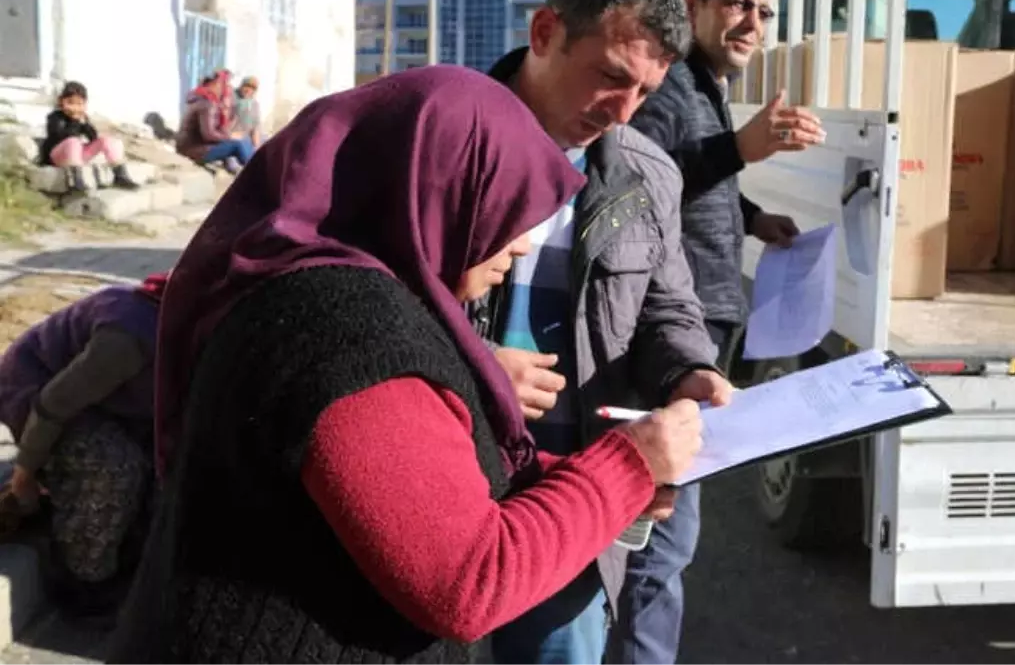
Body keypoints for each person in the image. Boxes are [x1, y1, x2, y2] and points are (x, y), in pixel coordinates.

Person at [106, 65, 704, 664]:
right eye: (506, 209)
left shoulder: (351, 293)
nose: (521, 245)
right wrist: (626, 467)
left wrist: (568, 475)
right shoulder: (346, 333)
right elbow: (467, 581)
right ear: (436, 189)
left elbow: (417, 478)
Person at [478, 0, 734, 665]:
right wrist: (473, 367)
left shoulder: (643, 173)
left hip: (571, 506)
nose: (623, 112)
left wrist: (689, 372)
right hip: (443, 494)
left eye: (646, 93)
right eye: (610, 77)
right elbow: (362, 300)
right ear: (544, 33)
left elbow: (668, 309)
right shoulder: (444, 139)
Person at [614, 0, 825, 665]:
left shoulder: (701, 86)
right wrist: (740, 150)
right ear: (693, 3)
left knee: (663, 537)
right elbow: (643, 183)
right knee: (660, 542)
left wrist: (754, 215)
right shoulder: (667, 85)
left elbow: (699, 178)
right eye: (737, 3)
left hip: (697, 331)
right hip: (667, 339)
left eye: (764, 10)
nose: (752, 22)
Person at [0, 273, 167, 620]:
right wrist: (24, 476)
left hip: (115, 406)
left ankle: (104, 540)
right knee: (113, 464)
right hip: (40, 398)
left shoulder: (198, 340)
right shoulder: (131, 333)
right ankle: (81, 579)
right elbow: (52, 406)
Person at [40, 81, 138, 191]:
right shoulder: (55, 117)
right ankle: (75, 180)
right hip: (57, 156)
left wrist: (85, 124)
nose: (75, 108)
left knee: (105, 140)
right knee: (73, 141)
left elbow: (93, 137)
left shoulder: (82, 119)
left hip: (76, 156)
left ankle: (120, 174)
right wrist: (75, 121)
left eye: (79, 104)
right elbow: (60, 135)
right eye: (70, 103)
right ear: (61, 102)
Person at [176, 72, 254, 173]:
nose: (226, 91)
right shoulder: (207, 104)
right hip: (193, 150)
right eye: (224, 86)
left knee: (243, 139)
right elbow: (208, 135)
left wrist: (227, 118)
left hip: (192, 147)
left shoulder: (205, 100)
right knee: (237, 144)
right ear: (216, 85)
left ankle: (259, 172)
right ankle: (259, 175)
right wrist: (229, 136)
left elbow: (217, 129)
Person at [230, 76, 263, 148]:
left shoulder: (254, 105)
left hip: (244, 139)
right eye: (247, 86)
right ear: (241, 86)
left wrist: (257, 148)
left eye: (253, 88)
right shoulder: (230, 97)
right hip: (228, 137)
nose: (249, 90)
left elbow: (255, 128)